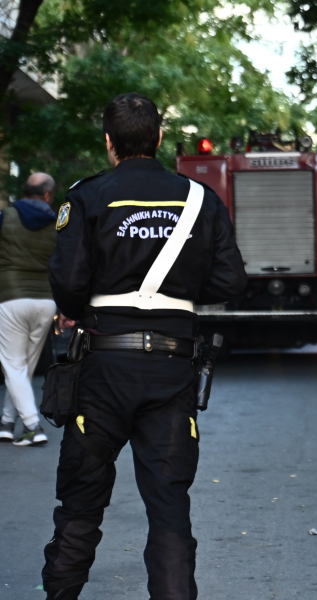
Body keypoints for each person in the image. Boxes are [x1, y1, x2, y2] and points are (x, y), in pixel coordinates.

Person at [41, 93, 247, 600]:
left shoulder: (87, 197)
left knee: (81, 502)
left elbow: (68, 285)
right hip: (172, 371)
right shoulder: (199, 198)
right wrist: (179, 290)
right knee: (169, 506)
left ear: (108, 142)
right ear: (158, 137)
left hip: (102, 371)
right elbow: (230, 281)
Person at [0, 173, 58, 446]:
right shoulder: (59, 223)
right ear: (47, 195)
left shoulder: (5, 217)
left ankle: (33, 426)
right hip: (46, 300)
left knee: (13, 366)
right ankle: (6, 423)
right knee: (22, 367)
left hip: (11, 296)